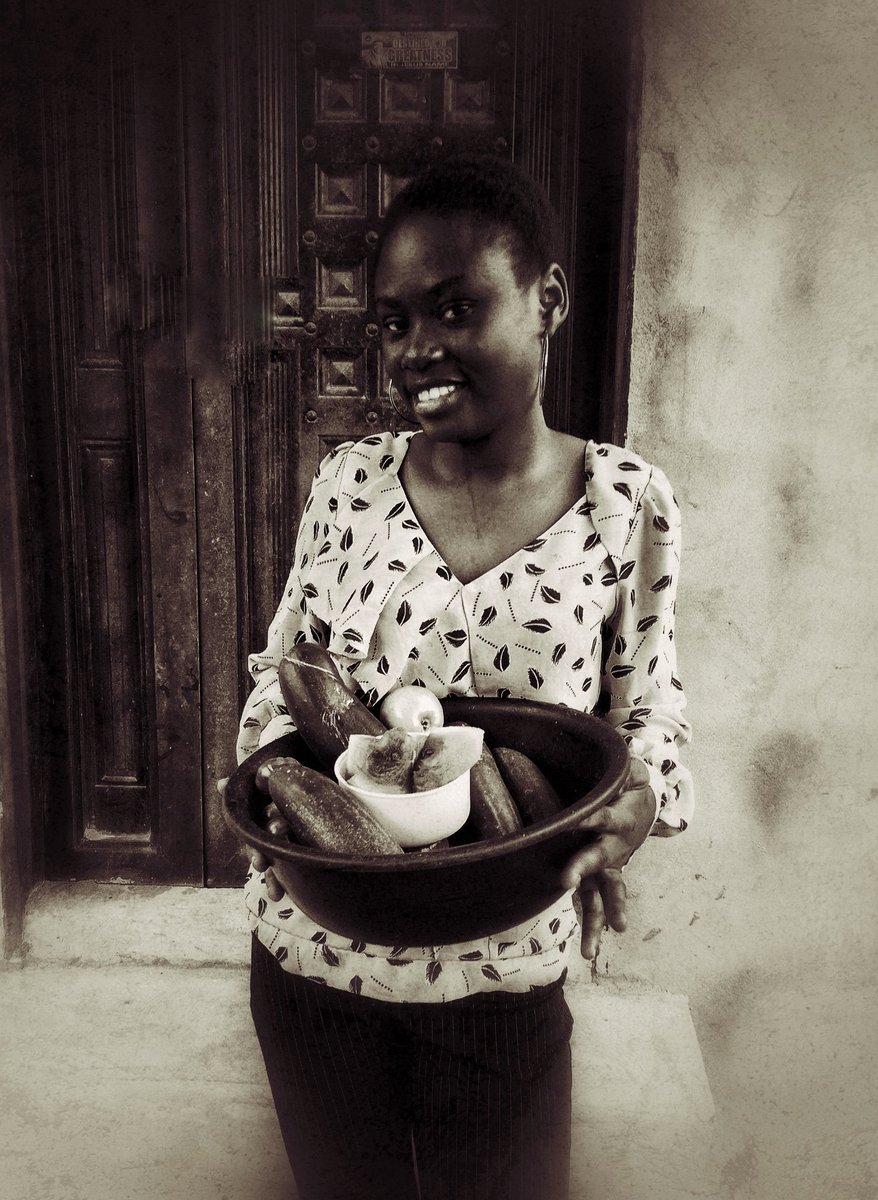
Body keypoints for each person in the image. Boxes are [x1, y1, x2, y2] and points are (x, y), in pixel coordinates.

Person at [234, 154, 693, 1200]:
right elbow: (282, 673)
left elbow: (649, 706)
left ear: (548, 300)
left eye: (454, 308)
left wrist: (637, 798)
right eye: (394, 322)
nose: (418, 350)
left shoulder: (626, 501)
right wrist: (264, 805)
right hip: (317, 953)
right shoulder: (348, 481)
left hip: (504, 966)